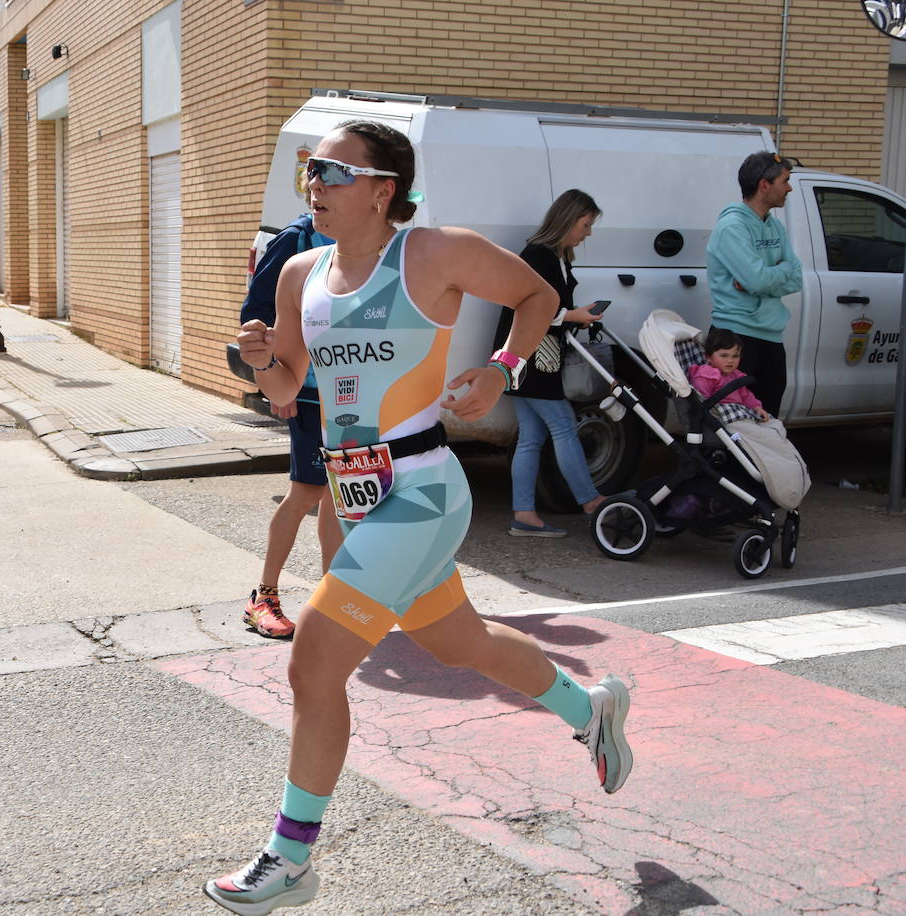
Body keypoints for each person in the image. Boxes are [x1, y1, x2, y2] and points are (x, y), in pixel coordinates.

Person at [213, 122, 634, 915]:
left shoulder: (434, 253)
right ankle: (593, 709)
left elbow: (539, 294)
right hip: (353, 492)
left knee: (313, 664)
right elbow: (286, 391)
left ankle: (291, 858)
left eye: (334, 171)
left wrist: (503, 371)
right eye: (311, 170)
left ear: (384, 187)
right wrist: (263, 355)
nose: (315, 184)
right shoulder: (300, 270)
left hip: (424, 487)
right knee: (460, 643)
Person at [238, 212, 343, 638]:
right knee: (305, 493)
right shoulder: (297, 239)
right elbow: (256, 314)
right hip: (307, 388)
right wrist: (277, 381)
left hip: (351, 393)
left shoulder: (372, 241)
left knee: (339, 494)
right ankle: (263, 597)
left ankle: (330, 601)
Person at [494, 189, 607, 537]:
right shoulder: (540, 254)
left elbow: (546, 309)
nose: (588, 233)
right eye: (586, 225)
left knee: (532, 436)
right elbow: (527, 305)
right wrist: (573, 314)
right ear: (569, 220)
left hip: (524, 356)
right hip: (531, 356)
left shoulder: (552, 254)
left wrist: (576, 315)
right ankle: (591, 501)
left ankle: (524, 514)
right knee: (562, 426)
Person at [706, 150, 802, 417]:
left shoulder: (774, 226)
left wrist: (763, 279)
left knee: (767, 423)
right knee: (737, 430)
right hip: (736, 340)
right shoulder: (732, 227)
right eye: (785, 180)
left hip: (771, 337)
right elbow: (758, 279)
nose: (789, 187)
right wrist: (765, 277)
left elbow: (796, 277)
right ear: (764, 185)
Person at [688, 327, 771, 421]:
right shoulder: (706, 375)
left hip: (739, 413)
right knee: (761, 434)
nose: (730, 361)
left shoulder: (735, 375)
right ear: (708, 357)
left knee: (775, 425)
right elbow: (700, 400)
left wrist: (756, 407)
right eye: (724, 355)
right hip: (721, 418)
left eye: (735, 356)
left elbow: (746, 396)